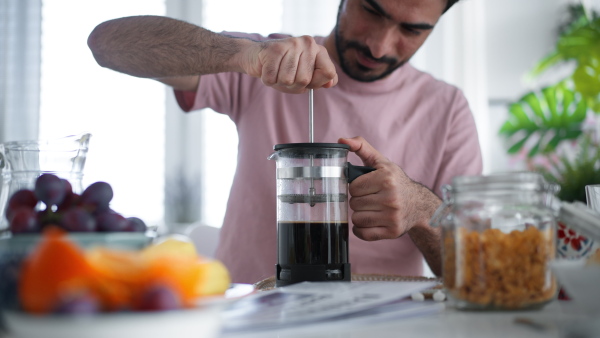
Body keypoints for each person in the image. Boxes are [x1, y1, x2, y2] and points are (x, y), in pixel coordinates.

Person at [87, 0, 482, 284]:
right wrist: (245, 55)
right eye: (370, 10)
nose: (378, 45)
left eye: (411, 29)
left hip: (383, 322)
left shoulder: (447, 109)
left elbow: (474, 271)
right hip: (249, 315)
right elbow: (106, 43)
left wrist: (420, 210)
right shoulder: (267, 62)